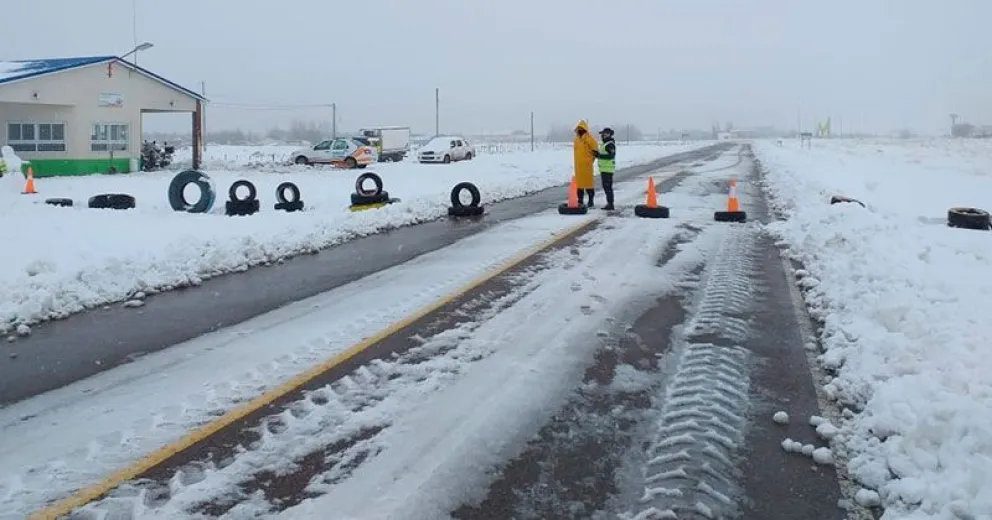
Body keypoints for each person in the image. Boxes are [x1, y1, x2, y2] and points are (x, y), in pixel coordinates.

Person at [572, 120, 598, 207]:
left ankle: (591, 201)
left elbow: (595, 150)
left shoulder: (590, 139)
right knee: (579, 186)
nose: (579, 130)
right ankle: (580, 201)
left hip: (587, 166)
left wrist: (590, 160)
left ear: (585, 129)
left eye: (581, 129)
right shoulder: (576, 140)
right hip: (578, 166)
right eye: (578, 129)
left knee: (588, 185)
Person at [596, 127, 617, 210]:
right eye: (601, 134)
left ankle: (610, 204)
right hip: (604, 169)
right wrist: (597, 154)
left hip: (608, 169)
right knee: (606, 187)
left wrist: (599, 156)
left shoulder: (610, 144)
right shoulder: (605, 144)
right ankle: (609, 204)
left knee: (608, 187)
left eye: (603, 134)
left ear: (608, 134)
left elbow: (611, 156)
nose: (602, 136)